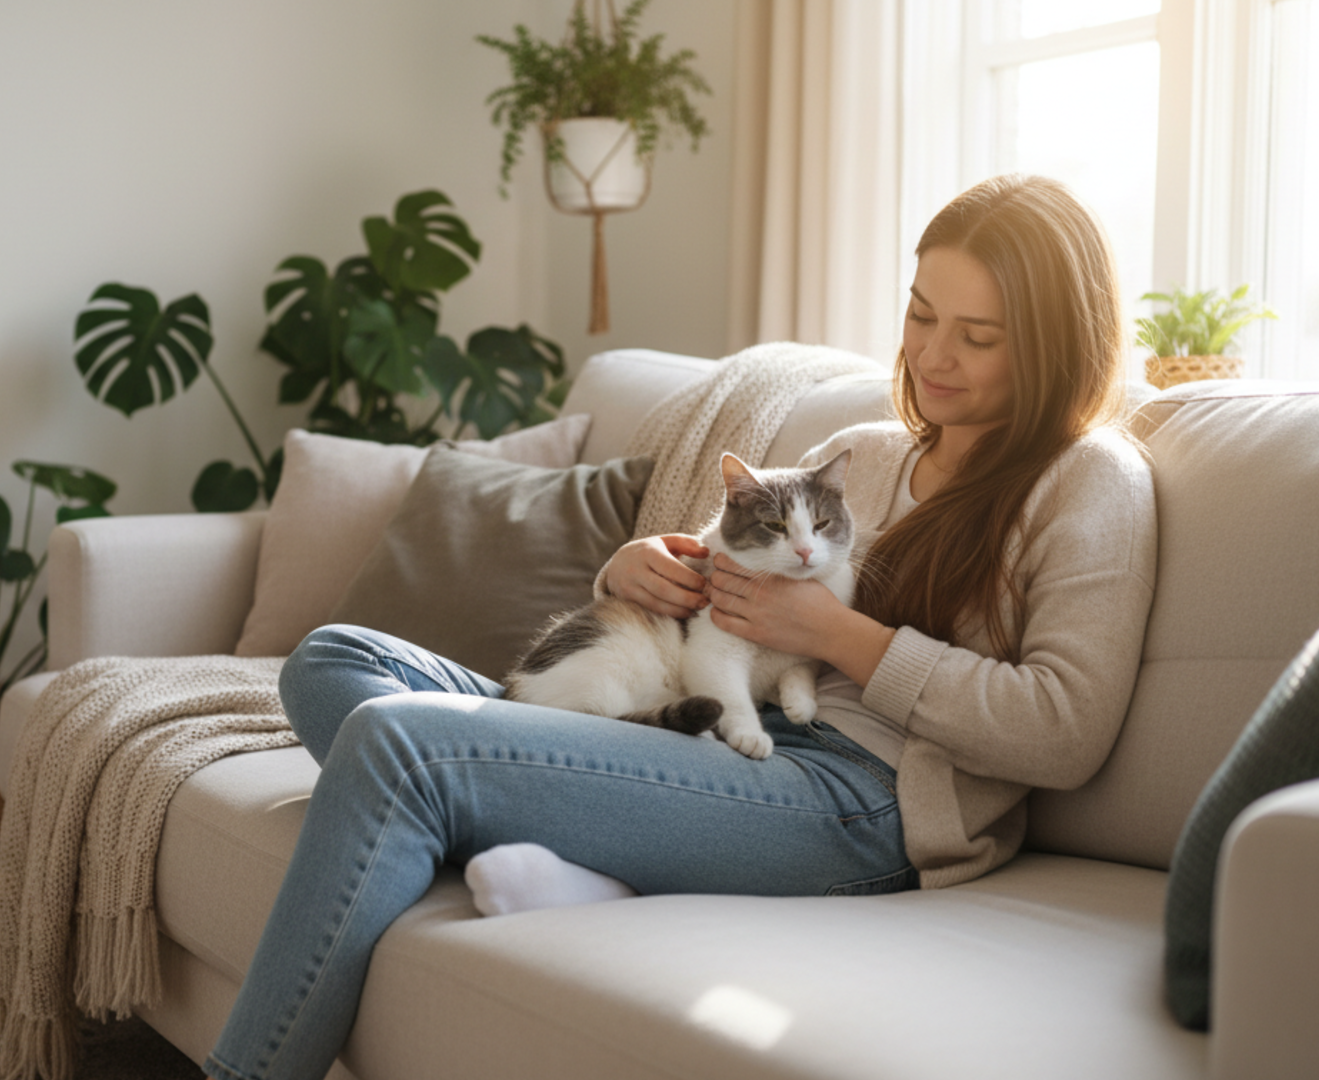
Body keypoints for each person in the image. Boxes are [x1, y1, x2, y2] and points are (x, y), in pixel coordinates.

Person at [199, 173, 1158, 1080]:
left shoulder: (1090, 482)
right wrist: (634, 571)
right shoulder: (860, 453)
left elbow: (1062, 731)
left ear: (1053, 341)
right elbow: (712, 578)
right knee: (334, 658)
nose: (932, 355)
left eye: (978, 336)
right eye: (920, 315)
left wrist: (837, 635)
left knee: (393, 744)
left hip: (858, 800)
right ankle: (568, 822)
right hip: (701, 713)